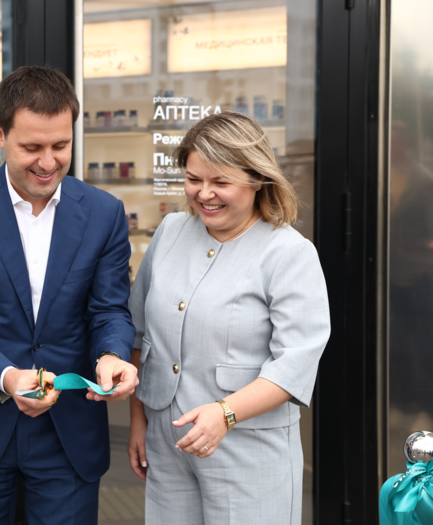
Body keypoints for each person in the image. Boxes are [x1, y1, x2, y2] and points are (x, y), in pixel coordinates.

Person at [0, 65, 139, 524]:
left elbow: (109, 310)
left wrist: (113, 355)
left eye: (60, 146)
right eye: (32, 148)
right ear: (0, 134)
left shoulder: (104, 213)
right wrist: (7, 377)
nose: (48, 162)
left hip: (68, 429)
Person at [127, 112, 330, 524]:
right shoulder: (170, 231)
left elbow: (294, 364)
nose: (204, 194)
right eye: (193, 179)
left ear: (258, 179)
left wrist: (226, 413)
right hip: (168, 442)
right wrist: (138, 422)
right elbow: (139, 335)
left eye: (221, 182)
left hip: (248, 448)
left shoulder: (289, 253)